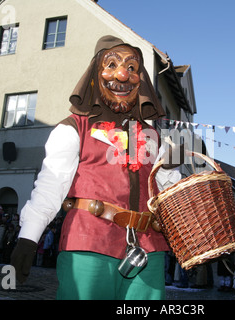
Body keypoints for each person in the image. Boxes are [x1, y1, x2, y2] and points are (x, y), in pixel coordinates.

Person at [11, 35, 181, 300]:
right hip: (89, 241)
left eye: (132, 68)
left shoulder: (154, 136)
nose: (123, 75)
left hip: (149, 248)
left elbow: (169, 188)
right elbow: (51, 183)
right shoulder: (73, 128)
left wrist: (175, 164)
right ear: (94, 74)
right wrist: (28, 237)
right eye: (111, 65)